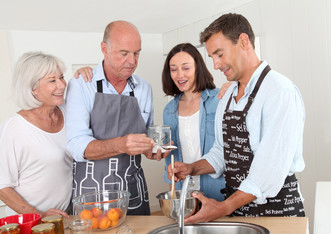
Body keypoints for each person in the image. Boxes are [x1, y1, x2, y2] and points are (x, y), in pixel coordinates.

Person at [168, 13, 306, 223]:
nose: (215, 65)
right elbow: (222, 152)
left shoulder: (279, 92)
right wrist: (192, 168)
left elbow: (267, 171)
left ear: (243, 42)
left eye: (219, 54)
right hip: (238, 210)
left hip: (278, 212)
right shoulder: (229, 95)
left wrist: (222, 208)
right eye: (212, 57)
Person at [65, 20, 168, 215]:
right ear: (104, 49)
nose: (132, 60)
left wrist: (153, 150)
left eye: (136, 53)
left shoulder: (143, 88)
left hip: (133, 190)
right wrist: (121, 144)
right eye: (124, 53)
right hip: (92, 194)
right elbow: (76, 145)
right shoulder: (81, 85)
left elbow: (146, 136)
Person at [0, 51, 72, 218]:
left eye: (61, 77)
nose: (61, 85)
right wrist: (38, 215)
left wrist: (85, 74)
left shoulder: (68, 111)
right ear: (33, 88)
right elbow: (2, 186)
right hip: (30, 223)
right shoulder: (14, 128)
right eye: (52, 81)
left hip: (65, 219)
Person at [162, 43, 226, 201]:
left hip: (218, 193)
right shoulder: (169, 110)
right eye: (174, 69)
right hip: (184, 193)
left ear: (198, 68)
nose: (179, 75)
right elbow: (170, 156)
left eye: (186, 68)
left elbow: (229, 151)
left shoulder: (220, 100)